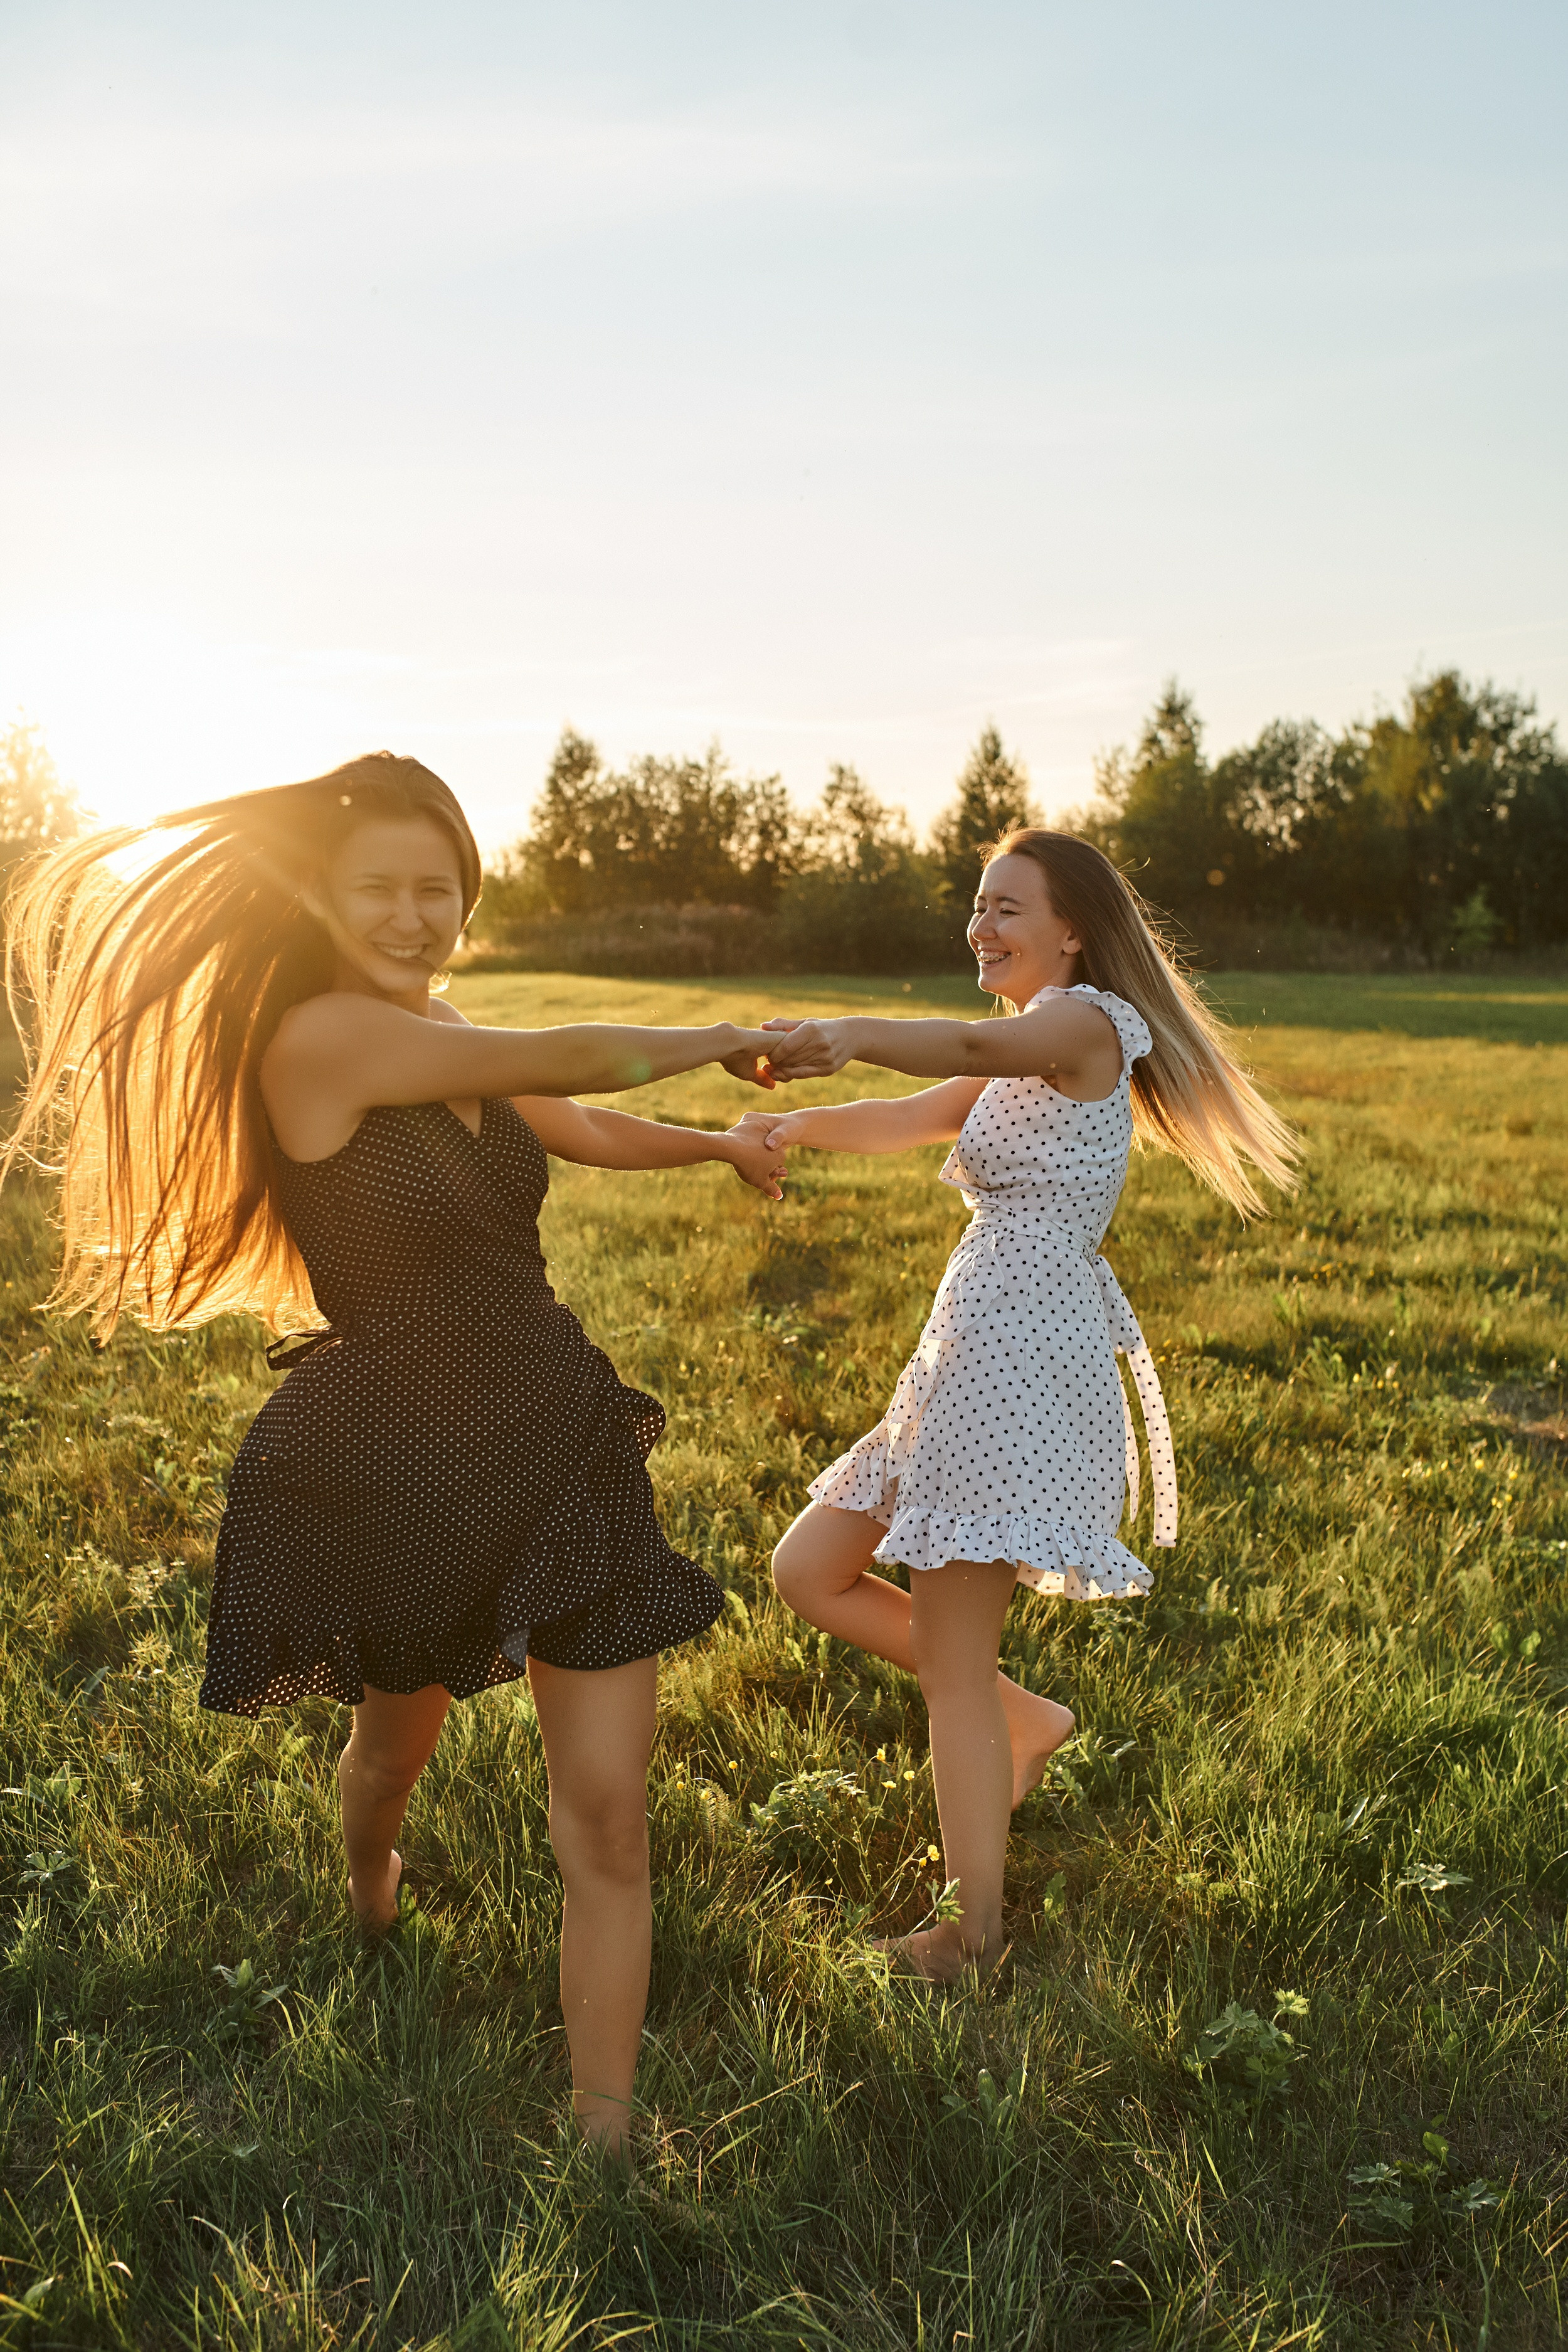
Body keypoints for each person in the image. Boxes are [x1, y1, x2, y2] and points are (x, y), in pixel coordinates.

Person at [2, 750, 829, 2154]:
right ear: (319, 900)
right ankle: (371, 1890)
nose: (409, 915)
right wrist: (726, 1034)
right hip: (397, 1459)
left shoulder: (439, 1023)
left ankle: (603, 2130)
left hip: (556, 1430)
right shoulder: (325, 1038)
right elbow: (550, 1058)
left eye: (435, 888)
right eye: (376, 888)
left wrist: (711, 1147)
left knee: (609, 1817)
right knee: (392, 1752)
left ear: (468, 897)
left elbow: (564, 1114)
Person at [742, 829, 1298, 1981]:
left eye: (1006, 908)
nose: (980, 926)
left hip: (1020, 1366)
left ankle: (971, 1933)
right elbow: (914, 1114)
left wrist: (847, 1034)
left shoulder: (1083, 1022)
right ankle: (1026, 1721)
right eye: (977, 906)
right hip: (967, 1355)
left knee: (950, 1668)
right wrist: (787, 1127)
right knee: (811, 1569)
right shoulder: (1025, 1050)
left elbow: (958, 1038)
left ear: (1074, 929)